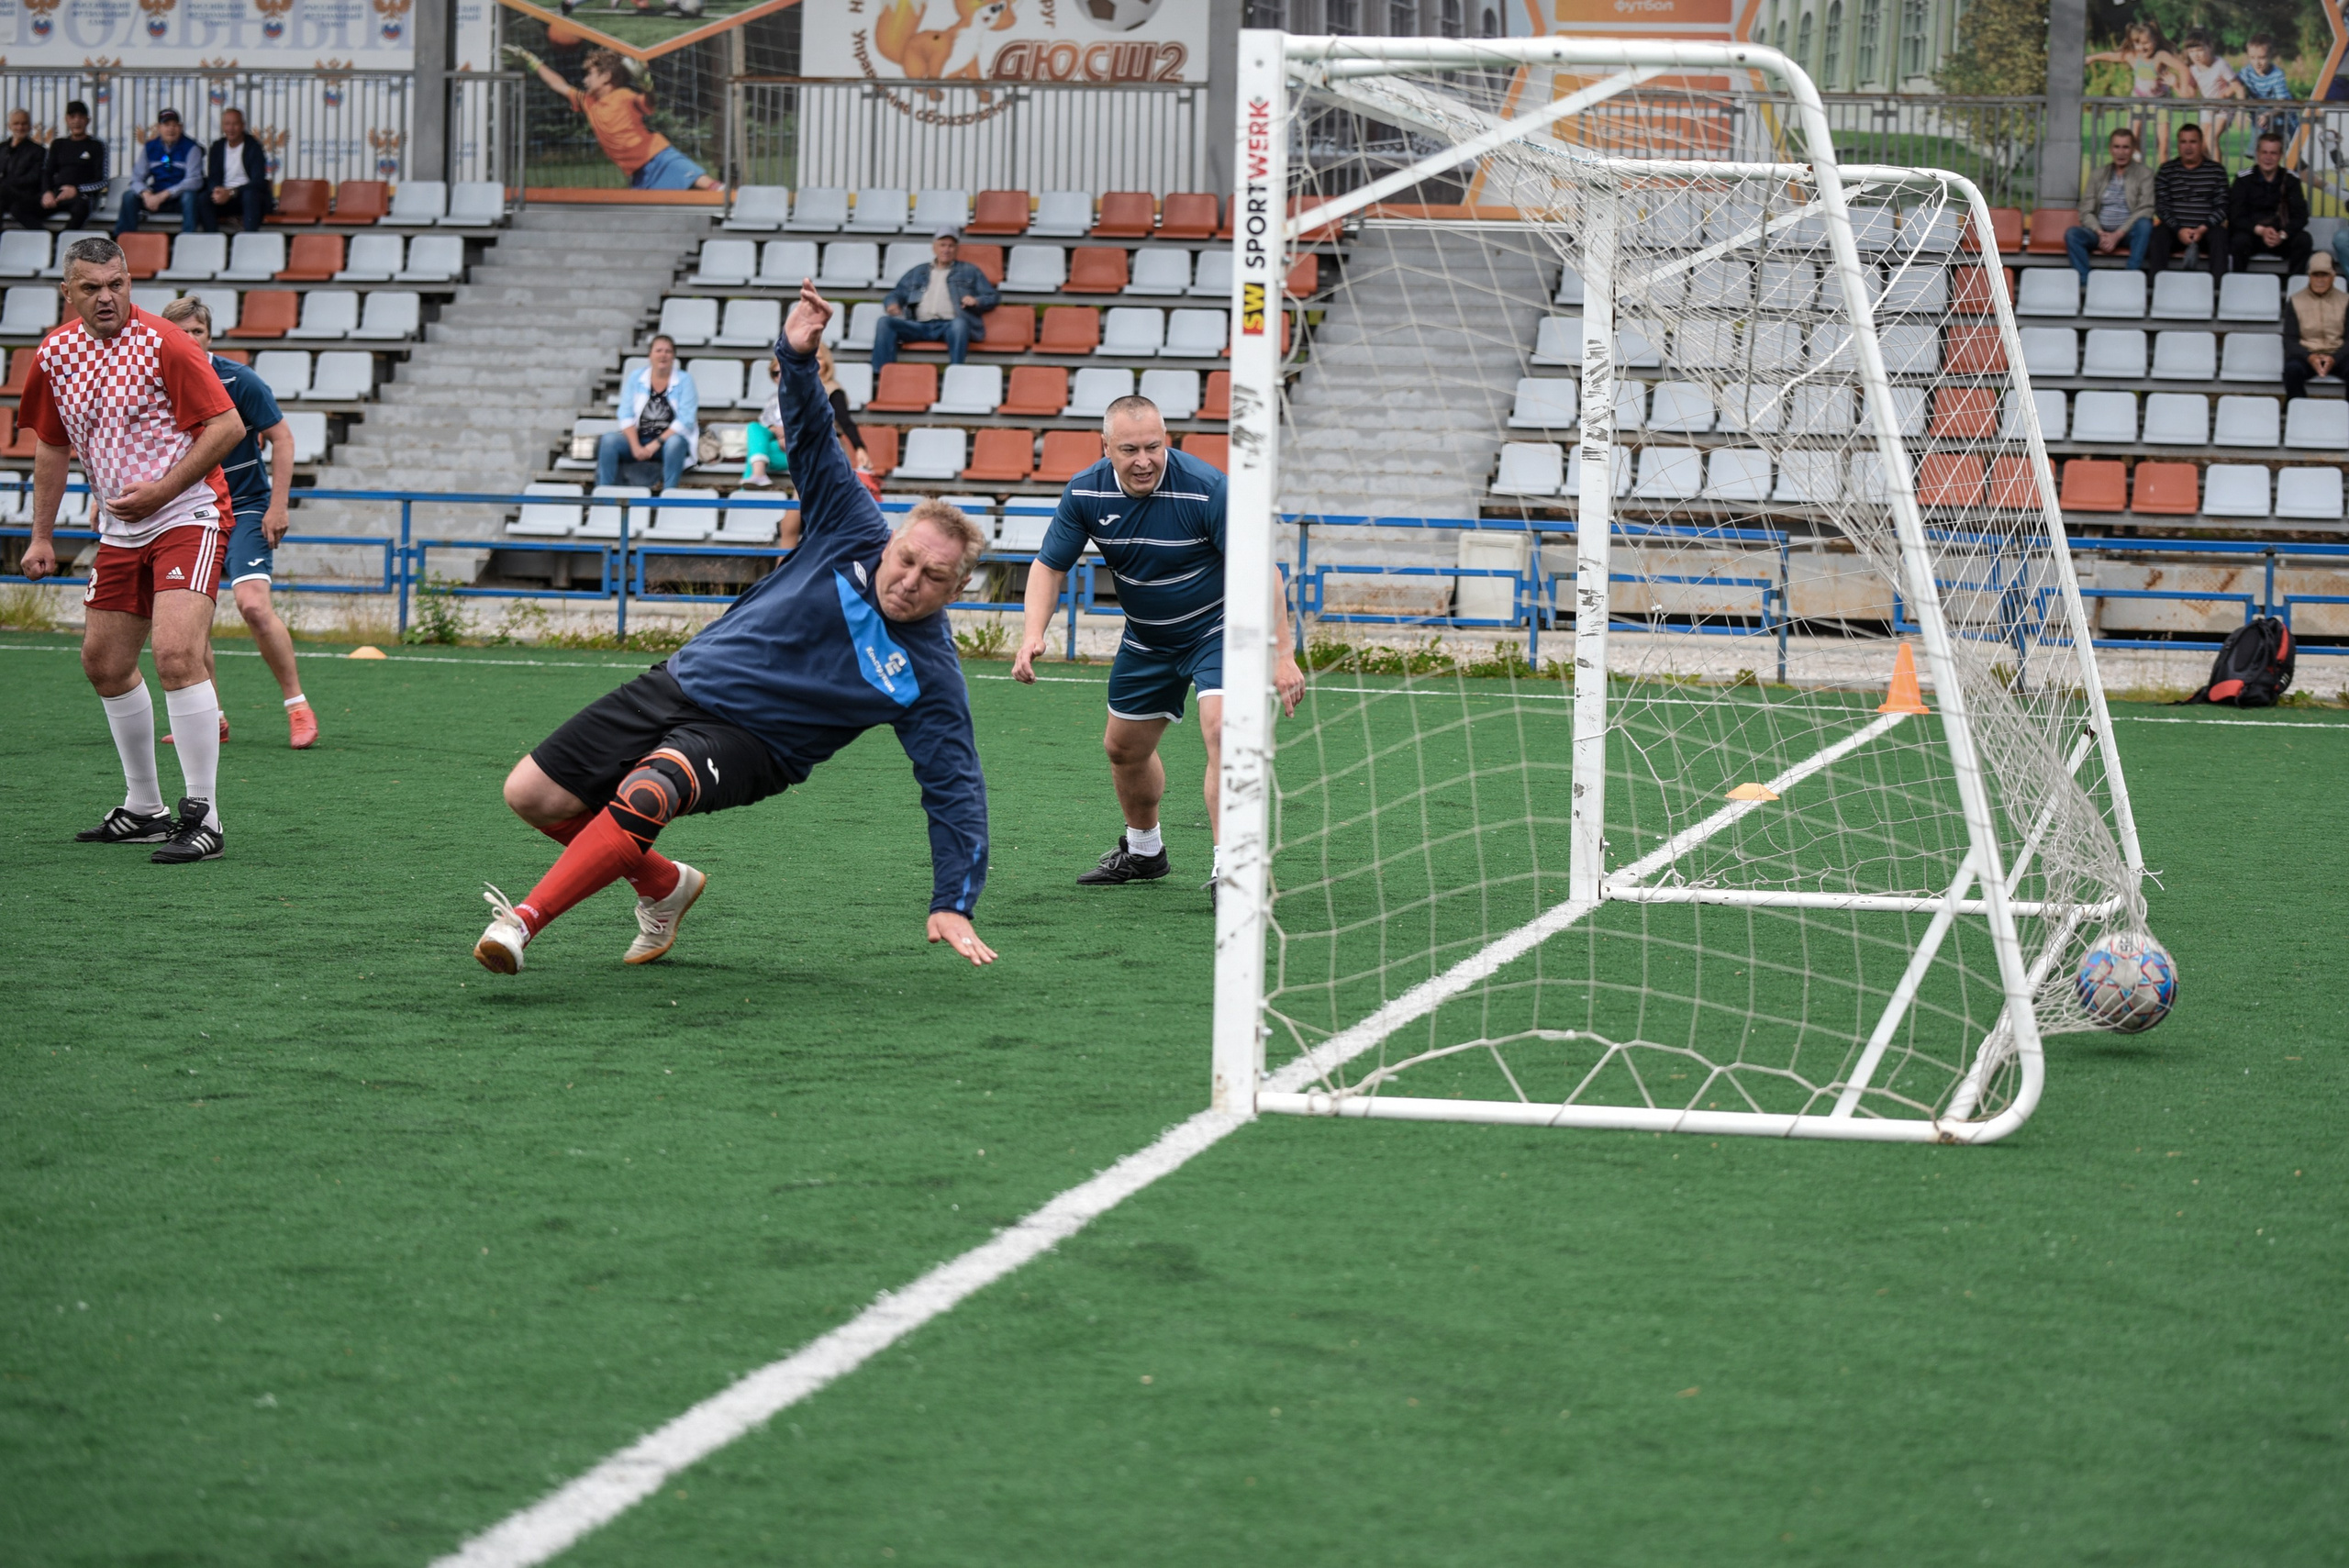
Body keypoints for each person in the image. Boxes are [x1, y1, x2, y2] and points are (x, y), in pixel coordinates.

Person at [474, 279, 996, 974]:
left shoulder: (928, 672)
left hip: (757, 743)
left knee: (650, 790)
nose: (909, 580)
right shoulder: (851, 526)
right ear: (892, 539)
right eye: (907, 560)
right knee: (531, 795)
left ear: (959, 589)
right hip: (683, 681)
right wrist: (797, 353)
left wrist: (953, 898)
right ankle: (664, 885)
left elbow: (953, 782)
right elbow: (812, 437)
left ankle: (523, 923)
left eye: (934, 578)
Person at [1011, 394, 1305, 903]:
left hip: (1219, 628)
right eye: (1129, 449)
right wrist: (1032, 632)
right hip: (1148, 637)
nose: (1144, 459)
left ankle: (1231, 869)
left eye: (1154, 446)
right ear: (1105, 447)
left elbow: (1264, 571)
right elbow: (1048, 566)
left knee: (1222, 729)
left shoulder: (1208, 489)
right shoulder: (1085, 493)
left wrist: (1282, 655)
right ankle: (1145, 852)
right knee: (1124, 749)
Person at [13, 236, 246, 863]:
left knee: (175, 653)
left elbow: (229, 425)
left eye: (117, 284)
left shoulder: (165, 341)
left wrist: (163, 489)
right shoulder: (56, 353)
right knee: (105, 663)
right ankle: (145, 806)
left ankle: (206, 817)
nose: (107, 297)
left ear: (129, 282)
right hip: (121, 527)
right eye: (92, 287)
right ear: (69, 293)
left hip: (186, 512)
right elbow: (52, 445)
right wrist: (41, 535)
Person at [156, 295, 317, 749]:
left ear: (210, 335)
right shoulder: (153, 380)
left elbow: (282, 439)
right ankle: (213, 720)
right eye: (180, 332)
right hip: (186, 510)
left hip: (245, 505)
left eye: (197, 332)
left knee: (252, 605)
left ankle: (298, 707)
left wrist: (278, 505)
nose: (189, 340)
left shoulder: (238, 379)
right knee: (189, 622)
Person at [502, 45, 718, 193]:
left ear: (606, 77)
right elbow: (558, 84)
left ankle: (733, 204)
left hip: (659, 156)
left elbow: (649, 103)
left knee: (707, 185)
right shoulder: (588, 101)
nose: (585, 80)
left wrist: (646, 85)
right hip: (637, 172)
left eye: (590, 75)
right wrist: (532, 62)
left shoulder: (624, 96)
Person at [743, 341, 868, 504]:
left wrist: (859, 447)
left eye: (818, 359)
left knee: (757, 452)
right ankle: (754, 481)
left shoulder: (830, 390)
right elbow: (766, 424)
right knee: (756, 443)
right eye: (776, 373)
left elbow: (844, 422)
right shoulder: (790, 391)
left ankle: (746, 496)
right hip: (787, 449)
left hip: (815, 452)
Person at [871, 229, 999, 369]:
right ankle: (882, 374)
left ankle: (956, 372)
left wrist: (976, 300)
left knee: (960, 325)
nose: (946, 249)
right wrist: (892, 304)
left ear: (956, 249)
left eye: (951, 246)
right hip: (918, 325)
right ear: (934, 247)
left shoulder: (970, 270)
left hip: (948, 326)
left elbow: (992, 296)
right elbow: (896, 293)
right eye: (942, 245)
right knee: (885, 322)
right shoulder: (918, 271)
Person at [598, 334, 698, 491]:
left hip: (667, 442)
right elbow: (625, 415)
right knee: (609, 441)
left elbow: (686, 420)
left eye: (668, 351)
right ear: (649, 355)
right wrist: (636, 446)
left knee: (675, 443)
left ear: (674, 357)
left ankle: (669, 494)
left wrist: (655, 444)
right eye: (658, 350)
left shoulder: (685, 381)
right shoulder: (636, 378)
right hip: (639, 439)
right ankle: (603, 493)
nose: (663, 355)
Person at [2066, 128, 2155, 282]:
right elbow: (2085, 210)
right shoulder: (2098, 174)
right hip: (2100, 233)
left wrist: (2118, 234)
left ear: (2133, 149)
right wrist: (2100, 232)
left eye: (2126, 147)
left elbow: (2146, 209)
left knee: (2145, 224)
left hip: (2128, 233)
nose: (2121, 152)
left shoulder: (2145, 174)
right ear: (2110, 149)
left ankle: (2130, 277)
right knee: (2072, 234)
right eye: (2117, 147)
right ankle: (2086, 283)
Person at [2147, 123, 2231, 277]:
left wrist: (2203, 228)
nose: (2188, 147)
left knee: (2220, 235)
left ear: (2201, 143)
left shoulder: (2216, 170)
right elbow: (2161, 206)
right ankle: (2155, 287)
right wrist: (2178, 229)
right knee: (2159, 234)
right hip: (2175, 231)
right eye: (2183, 142)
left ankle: (2219, 290)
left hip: (2206, 231)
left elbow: (2223, 206)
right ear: (2178, 144)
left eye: (2193, 141)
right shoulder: (2167, 170)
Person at [2228, 131, 2310, 275]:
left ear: (2280, 156)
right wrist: (2261, 231)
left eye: (2273, 153)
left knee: (2303, 240)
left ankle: (2293, 290)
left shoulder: (2291, 180)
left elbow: (2301, 215)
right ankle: (2239, 286)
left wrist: (2283, 234)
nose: (2268, 157)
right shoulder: (2243, 179)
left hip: (2282, 236)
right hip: (2253, 234)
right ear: (2257, 154)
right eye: (2264, 152)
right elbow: (2235, 215)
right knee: (2239, 241)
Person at [114, 108, 204, 235]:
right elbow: (136, 178)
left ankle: (188, 239)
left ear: (181, 127)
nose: (171, 129)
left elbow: (195, 181)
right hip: (155, 199)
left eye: (174, 125)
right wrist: (146, 194)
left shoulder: (191, 148)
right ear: (158, 128)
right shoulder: (150, 147)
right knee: (129, 196)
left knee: (190, 197)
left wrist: (164, 195)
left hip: (178, 199)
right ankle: (123, 241)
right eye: (166, 125)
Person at [198, 108, 273, 234]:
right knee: (203, 198)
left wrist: (232, 192)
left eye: (235, 124)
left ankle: (249, 240)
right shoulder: (217, 147)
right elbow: (213, 176)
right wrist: (217, 190)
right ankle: (212, 241)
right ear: (222, 126)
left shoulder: (254, 147)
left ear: (243, 126)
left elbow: (258, 181)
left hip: (245, 196)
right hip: (224, 197)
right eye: (227, 124)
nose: (231, 128)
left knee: (250, 195)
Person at [2283, 252, 2345, 400]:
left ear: (2333, 276)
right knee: (2292, 369)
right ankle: (2299, 409)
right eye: (2315, 275)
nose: (2320, 280)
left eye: (2324, 275)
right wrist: (2310, 357)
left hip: (2338, 353)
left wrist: (2334, 358)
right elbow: (2290, 340)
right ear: (2309, 277)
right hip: (2307, 354)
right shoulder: (2296, 301)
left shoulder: (2346, 301)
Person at [43, 101, 105, 228]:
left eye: (81, 117)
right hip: (57, 194)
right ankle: (45, 239)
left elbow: (102, 181)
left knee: (81, 209)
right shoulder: (58, 144)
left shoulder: (97, 145)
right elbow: (47, 172)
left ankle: (64, 242)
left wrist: (77, 189)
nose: (77, 121)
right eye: (72, 117)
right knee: (19, 208)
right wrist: (47, 192)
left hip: (81, 196)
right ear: (66, 120)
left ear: (88, 120)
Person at [0, 109, 47, 230]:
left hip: (24, 196)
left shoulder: (38, 151)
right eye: (16, 123)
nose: (20, 127)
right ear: (9, 126)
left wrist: (7, 183)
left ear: (30, 126)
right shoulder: (2, 148)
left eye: (24, 123)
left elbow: (34, 177)